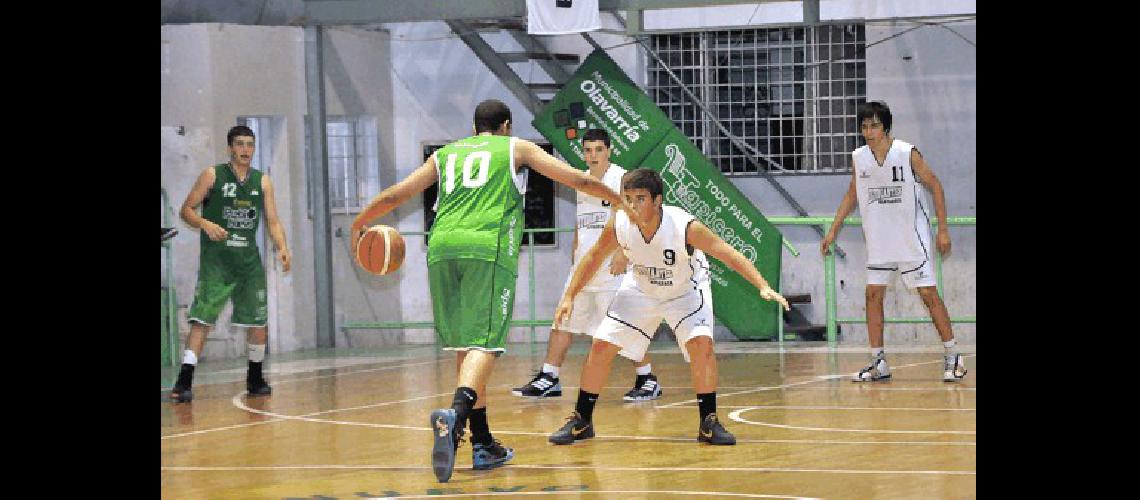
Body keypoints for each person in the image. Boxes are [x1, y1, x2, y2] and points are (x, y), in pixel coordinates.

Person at [350, 100, 633, 483]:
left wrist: (361, 222)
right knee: (484, 344)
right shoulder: (516, 147)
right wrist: (621, 201)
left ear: (473, 127)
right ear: (505, 125)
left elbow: (396, 195)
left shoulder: (447, 154)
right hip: (487, 248)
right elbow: (578, 180)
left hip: (442, 248)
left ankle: (482, 444)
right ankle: (456, 415)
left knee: (465, 347)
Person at [547, 168, 790, 446]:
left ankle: (708, 422)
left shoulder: (685, 226)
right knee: (601, 345)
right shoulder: (619, 224)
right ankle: (582, 420)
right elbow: (591, 258)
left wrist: (762, 285)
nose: (633, 206)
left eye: (640, 199)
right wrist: (569, 296)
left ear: (657, 200)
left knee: (701, 345)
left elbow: (727, 252)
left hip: (685, 290)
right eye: (627, 198)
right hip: (641, 289)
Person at [820, 101, 967, 383]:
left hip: (912, 238)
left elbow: (935, 185)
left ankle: (953, 355)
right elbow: (852, 194)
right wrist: (832, 231)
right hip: (880, 239)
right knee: (873, 295)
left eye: (874, 125)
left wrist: (943, 230)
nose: (869, 131)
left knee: (928, 295)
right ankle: (878, 362)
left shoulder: (906, 153)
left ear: (886, 127)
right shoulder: (859, 158)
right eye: (864, 126)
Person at [512, 129, 662, 402]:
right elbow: (583, 224)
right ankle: (550, 376)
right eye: (588, 150)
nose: (593, 155)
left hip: (611, 269)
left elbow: (638, 218)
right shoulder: (582, 182)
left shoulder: (622, 179)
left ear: (609, 150)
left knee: (623, 325)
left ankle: (647, 377)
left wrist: (624, 254)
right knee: (562, 320)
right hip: (584, 268)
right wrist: (575, 254)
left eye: (598, 149)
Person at [170, 125, 292, 403]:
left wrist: (283, 246)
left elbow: (272, 221)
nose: (245, 149)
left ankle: (255, 377)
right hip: (218, 263)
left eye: (250, 144)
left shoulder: (262, 182)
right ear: (230, 148)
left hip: (248, 263)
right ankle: (184, 382)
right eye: (240, 144)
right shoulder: (213, 175)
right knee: (202, 321)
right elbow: (186, 209)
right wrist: (204, 223)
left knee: (258, 322)